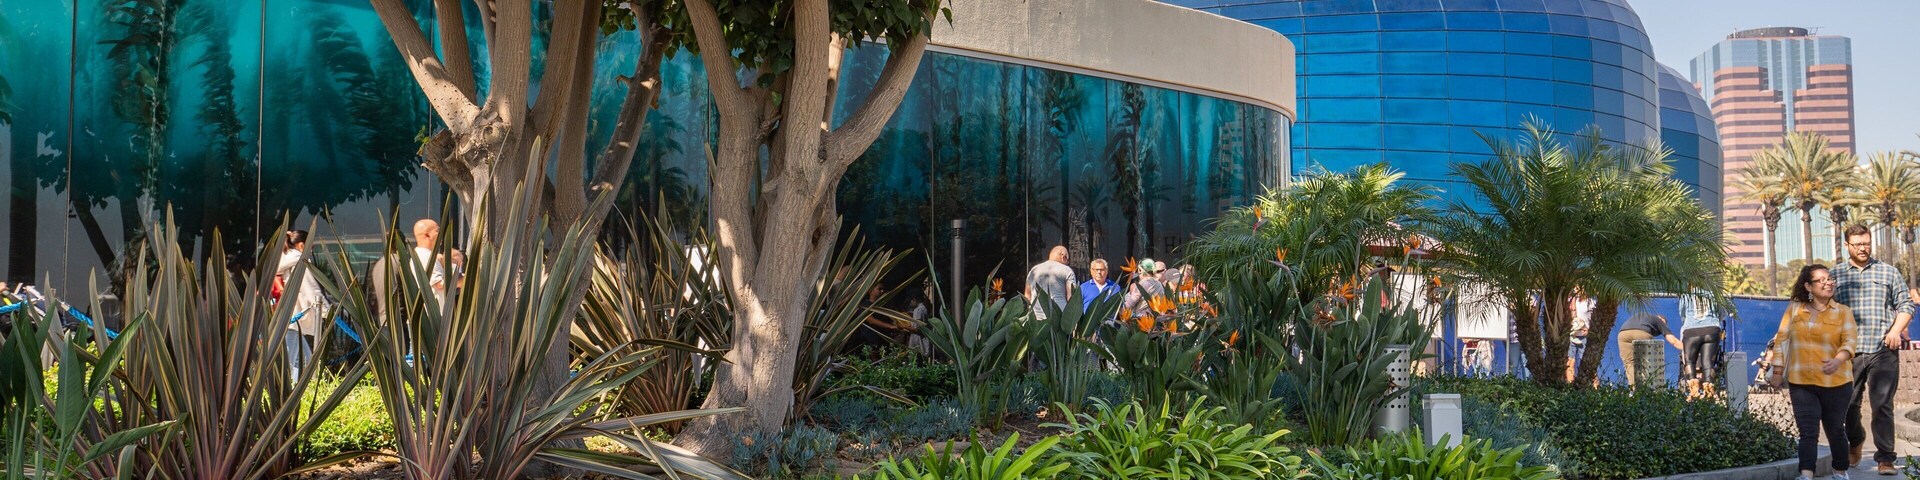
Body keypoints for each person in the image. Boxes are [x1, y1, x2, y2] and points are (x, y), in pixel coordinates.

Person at [1831, 224, 1913, 473]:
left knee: (1882, 405)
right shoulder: (1835, 276)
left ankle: (1886, 458)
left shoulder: (1888, 272)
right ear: (1847, 246)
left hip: (1882, 350)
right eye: (1857, 244)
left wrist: (1896, 331)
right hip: (1849, 352)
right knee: (1848, 404)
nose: (1863, 248)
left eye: (1866, 243)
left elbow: (1906, 305)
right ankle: (1856, 440)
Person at [1771, 264, 1857, 480]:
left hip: (1837, 382)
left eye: (1830, 279)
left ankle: (1840, 470)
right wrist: (1777, 371)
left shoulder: (1843, 312)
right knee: (1808, 432)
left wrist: (1838, 360)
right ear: (1808, 286)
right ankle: (1806, 474)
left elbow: (1850, 342)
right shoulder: (1794, 309)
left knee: (1835, 429)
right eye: (1821, 280)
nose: (1828, 283)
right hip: (1802, 381)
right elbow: (1782, 340)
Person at [275, 230, 324, 377]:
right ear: (302, 245)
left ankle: (301, 392)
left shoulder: (281, 262)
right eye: (311, 247)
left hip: (285, 319)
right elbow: (312, 289)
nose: (311, 251)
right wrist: (327, 310)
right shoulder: (302, 263)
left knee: (304, 360)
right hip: (293, 321)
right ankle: (293, 394)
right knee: (294, 362)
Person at [1677, 285, 1723, 395]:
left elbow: (1682, 314)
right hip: (1712, 329)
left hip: (1691, 331)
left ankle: (1694, 391)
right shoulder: (1714, 294)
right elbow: (1721, 312)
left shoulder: (1686, 295)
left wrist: (1688, 323)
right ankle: (1709, 391)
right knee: (1708, 363)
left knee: (1690, 361)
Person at [1616, 311, 1684, 387]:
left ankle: (1633, 390)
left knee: (1629, 363)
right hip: (1641, 332)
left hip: (1623, 333)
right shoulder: (1659, 320)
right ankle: (1647, 389)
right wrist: (1688, 349)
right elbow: (1673, 341)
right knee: (1647, 363)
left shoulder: (1643, 316)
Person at [412, 219, 464, 313]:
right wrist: (468, 279)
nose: (441, 235)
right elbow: (440, 284)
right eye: (437, 231)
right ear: (427, 235)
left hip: (438, 317)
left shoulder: (427, 256)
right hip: (433, 319)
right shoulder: (424, 256)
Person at [1024, 245, 1076, 319]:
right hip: (1058, 317)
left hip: (1035, 317)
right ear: (1063, 256)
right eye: (1067, 260)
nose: (1068, 262)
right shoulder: (1067, 270)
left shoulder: (1034, 270)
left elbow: (1027, 296)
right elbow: (1071, 298)